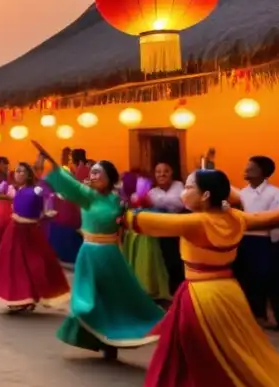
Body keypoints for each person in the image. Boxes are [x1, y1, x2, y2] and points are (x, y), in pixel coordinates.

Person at [124, 170, 279, 387]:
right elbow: (275, 217)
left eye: (190, 187)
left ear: (205, 195)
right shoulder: (236, 218)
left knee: (202, 359)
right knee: (240, 355)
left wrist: (122, 209)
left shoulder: (195, 223)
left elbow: (141, 222)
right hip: (229, 293)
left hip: (202, 297)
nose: (185, 191)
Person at [33, 141, 163, 360]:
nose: (93, 176)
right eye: (92, 173)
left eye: (98, 173)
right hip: (89, 254)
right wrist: (50, 163)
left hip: (111, 256)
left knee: (114, 300)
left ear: (110, 178)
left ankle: (113, 340)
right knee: (86, 303)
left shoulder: (118, 201)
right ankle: (96, 337)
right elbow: (67, 183)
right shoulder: (87, 195)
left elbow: (129, 222)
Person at [0, 163, 70, 311]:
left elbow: (46, 201)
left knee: (35, 264)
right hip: (14, 231)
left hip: (30, 232)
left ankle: (29, 296)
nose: (17, 174)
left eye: (21, 171)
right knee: (13, 265)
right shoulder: (18, 190)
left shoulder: (35, 190)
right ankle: (20, 298)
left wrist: (47, 214)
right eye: (16, 171)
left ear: (28, 175)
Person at [235, 156, 279, 328]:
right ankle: (254, 315)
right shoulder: (240, 194)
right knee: (246, 278)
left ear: (263, 172)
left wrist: (257, 222)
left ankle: (272, 316)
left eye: (251, 167)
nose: (246, 169)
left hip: (265, 240)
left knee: (265, 278)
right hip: (243, 240)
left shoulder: (276, 193)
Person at [119, 171, 171, 302]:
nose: (160, 175)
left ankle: (146, 286)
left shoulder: (151, 194)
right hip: (137, 230)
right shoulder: (132, 196)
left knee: (145, 258)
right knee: (141, 258)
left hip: (144, 231)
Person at [147, 162, 186, 294]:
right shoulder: (153, 191)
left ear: (172, 173)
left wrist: (157, 201)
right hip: (163, 233)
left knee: (181, 262)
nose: (162, 174)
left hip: (180, 231)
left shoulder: (179, 186)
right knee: (167, 262)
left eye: (166, 171)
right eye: (158, 171)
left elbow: (178, 204)